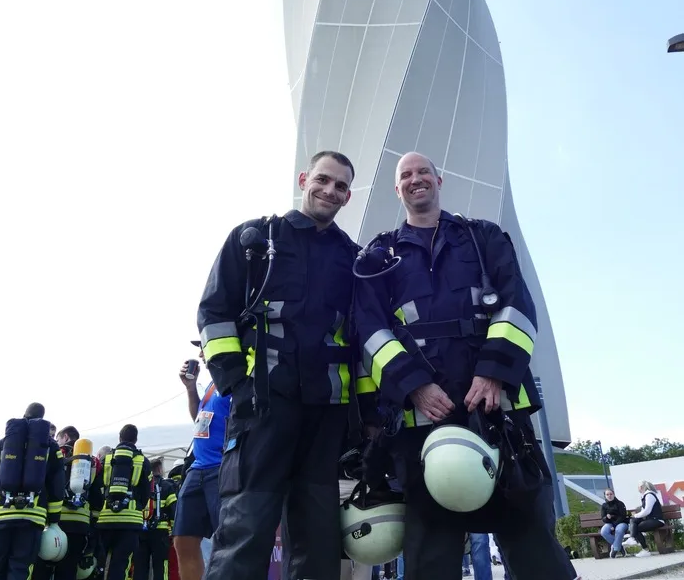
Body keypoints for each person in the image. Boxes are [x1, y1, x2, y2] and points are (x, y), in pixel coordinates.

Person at [353, 152, 576, 580]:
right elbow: (368, 331)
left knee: (529, 536)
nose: (416, 179)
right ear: (395, 189)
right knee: (430, 550)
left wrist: (493, 372)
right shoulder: (379, 255)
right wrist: (414, 385)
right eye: (406, 175)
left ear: (440, 179)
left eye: (423, 172)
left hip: (499, 412)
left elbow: (518, 309)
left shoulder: (484, 238)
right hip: (421, 421)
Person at [198, 150, 359, 580]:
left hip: (325, 418)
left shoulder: (354, 259)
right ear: (304, 178)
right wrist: (236, 384)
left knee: (318, 545)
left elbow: (361, 338)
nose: (330, 190)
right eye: (323, 179)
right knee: (245, 534)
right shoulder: (253, 240)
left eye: (341, 186)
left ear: (348, 197)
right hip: (263, 409)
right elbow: (215, 314)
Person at [0, 403, 65, 580]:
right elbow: (57, 485)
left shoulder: (2, 445)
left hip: (0, 514)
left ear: (24, 415)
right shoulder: (50, 446)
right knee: (20, 568)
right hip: (33, 516)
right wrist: (54, 520)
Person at [173, 348, 230, 580]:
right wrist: (190, 388)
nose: (200, 353)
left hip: (222, 466)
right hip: (197, 468)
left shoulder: (236, 378)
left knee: (227, 538)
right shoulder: (211, 385)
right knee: (183, 539)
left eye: (204, 347)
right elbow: (199, 415)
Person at [33, 426, 103, 580]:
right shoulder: (92, 462)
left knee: (41, 567)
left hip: (52, 521)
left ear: (64, 437)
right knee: (68, 570)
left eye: (57, 438)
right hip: (79, 525)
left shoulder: (53, 454)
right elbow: (98, 497)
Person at [97, 424, 152, 580]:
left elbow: (98, 487)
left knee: (100, 564)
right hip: (130, 522)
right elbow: (146, 491)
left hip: (105, 519)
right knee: (120, 566)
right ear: (136, 439)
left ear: (119, 438)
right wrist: (137, 506)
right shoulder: (143, 461)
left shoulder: (107, 458)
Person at [136, 458, 177, 580]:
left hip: (141, 532)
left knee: (140, 567)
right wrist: (175, 533)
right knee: (161, 568)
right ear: (160, 469)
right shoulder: (167, 486)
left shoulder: (142, 486)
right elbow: (173, 511)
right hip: (160, 533)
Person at [628, 481, 664, 558]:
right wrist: (635, 516)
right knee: (633, 521)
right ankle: (632, 538)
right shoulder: (645, 496)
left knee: (636, 527)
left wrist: (636, 515)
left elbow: (647, 511)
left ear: (640, 487)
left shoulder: (649, 495)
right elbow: (644, 511)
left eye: (638, 487)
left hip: (657, 520)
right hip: (651, 520)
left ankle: (645, 549)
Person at [600, 488, 628, 558]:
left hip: (621, 522)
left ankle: (615, 549)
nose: (609, 496)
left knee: (619, 530)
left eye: (611, 494)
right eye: (607, 494)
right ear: (605, 496)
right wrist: (607, 517)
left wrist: (614, 526)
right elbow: (603, 518)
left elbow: (623, 516)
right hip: (610, 523)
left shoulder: (620, 503)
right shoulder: (604, 505)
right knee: (603, 531)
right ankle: (620, 547)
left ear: (614, 494)